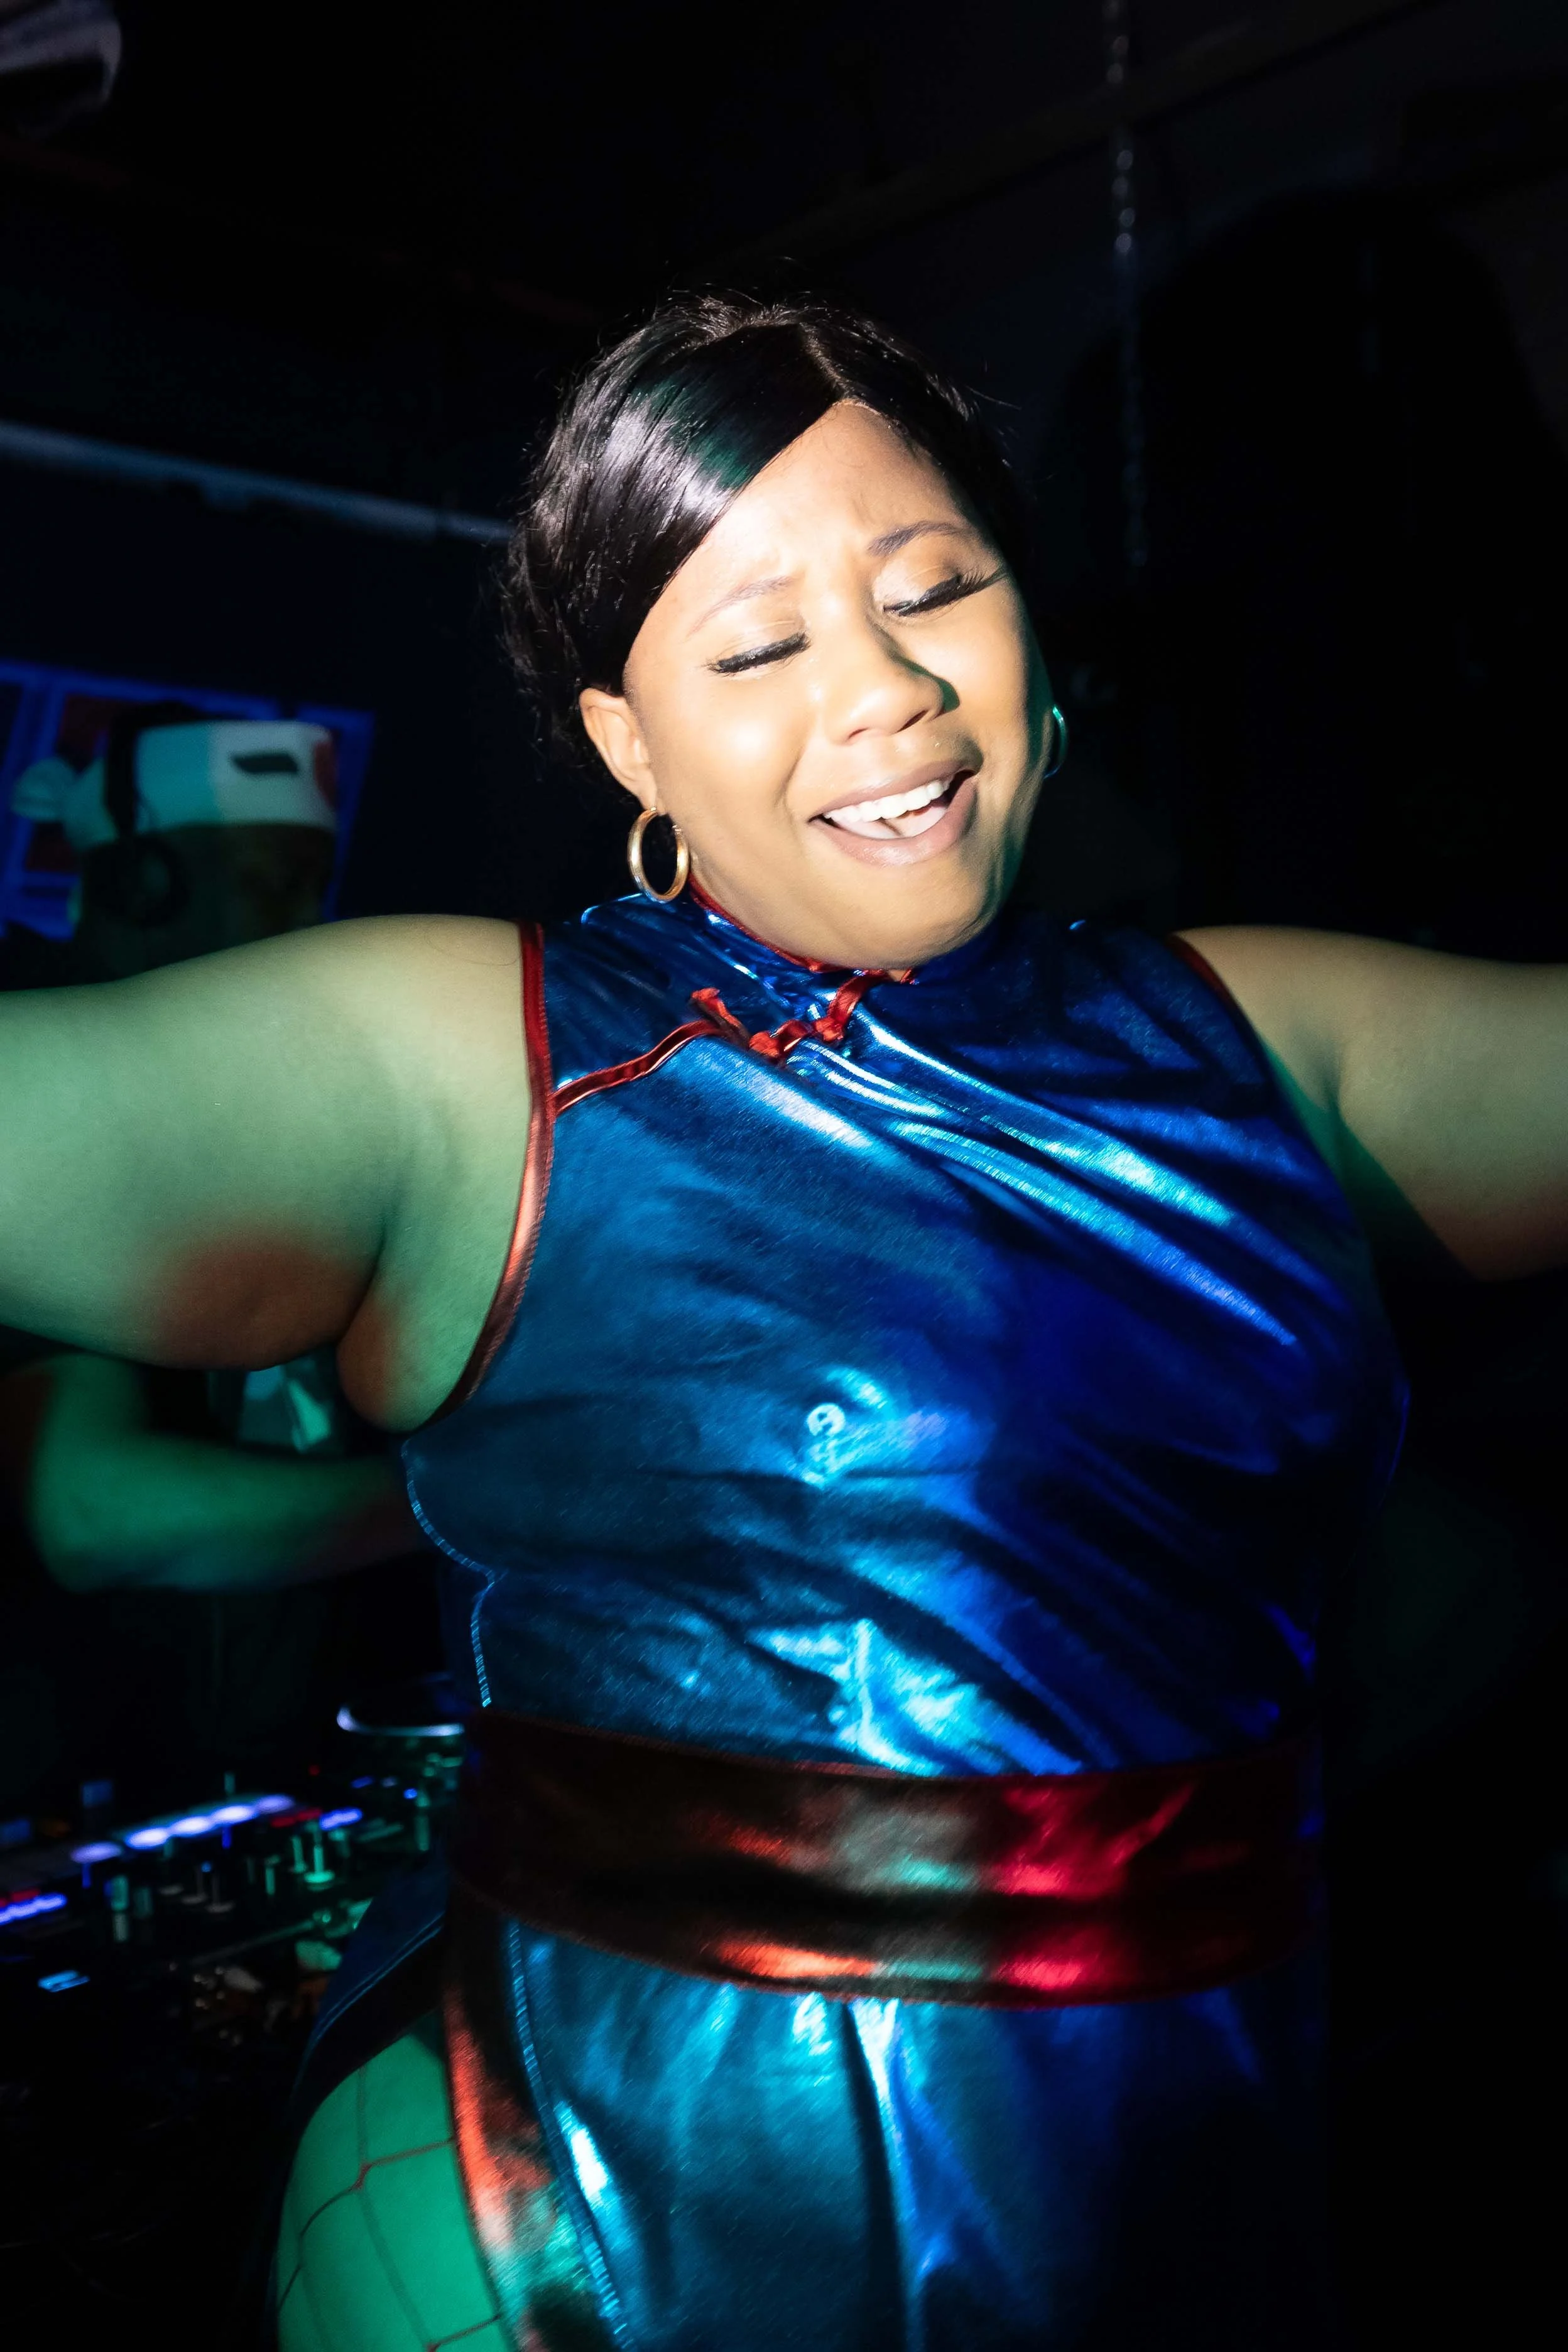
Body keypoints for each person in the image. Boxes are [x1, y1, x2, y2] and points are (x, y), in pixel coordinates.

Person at [0, 296, 1562, 2350]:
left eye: (933, 589)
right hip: (595, 2233)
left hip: (1187, 2174)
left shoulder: (1247, 1034)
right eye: (757, 647)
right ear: (628, 746)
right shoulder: (500, 1065)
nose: (886, 691)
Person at [0, 712, 420, 1815]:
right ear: (138, 887)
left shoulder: (263, 1106)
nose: (301, 927)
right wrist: (458, 1504)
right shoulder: (36, 1106)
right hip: (78, 1804)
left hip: (266, 1782)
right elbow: (95, 1512)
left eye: (310, 886)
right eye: (269, 885)